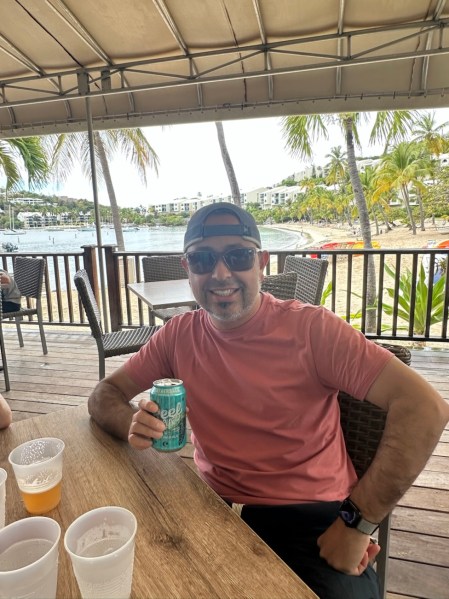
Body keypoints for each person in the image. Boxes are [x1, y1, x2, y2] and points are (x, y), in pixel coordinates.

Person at [88, 203, 449, 599]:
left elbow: (425, 409)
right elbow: (105, 394)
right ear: (187, 268)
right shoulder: (177, 335)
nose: (220, 273)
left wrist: (356, 524)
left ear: (261, 263)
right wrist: (131, 422)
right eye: (203, 259)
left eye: (238, 256)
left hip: (312, 518)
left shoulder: (311, 329)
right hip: (210, 504)